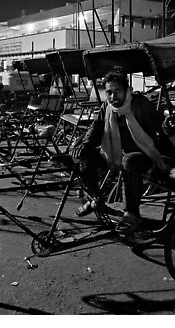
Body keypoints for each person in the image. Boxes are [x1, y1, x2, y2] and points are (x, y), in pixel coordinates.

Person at [72, 67, 169, 233]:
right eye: (109, 92)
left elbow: (160, 123)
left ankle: (132, 214)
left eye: (117, 91)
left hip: (144, 155)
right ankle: (96, 199)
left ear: (127, 90)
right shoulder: (107, 107)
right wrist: (85, 144)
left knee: (129, 160)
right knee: (83, 156)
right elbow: (96, 128)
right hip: (116, 153)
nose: (112, 96)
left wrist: (168, 125)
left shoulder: (139, 104)